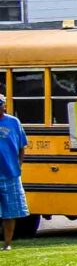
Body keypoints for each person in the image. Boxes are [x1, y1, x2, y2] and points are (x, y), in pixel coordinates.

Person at [0, 97, 23, 248]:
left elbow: (22, 147)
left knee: (10, 211)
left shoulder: (13, 122)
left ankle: (7, 243)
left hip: (10, 172)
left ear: (4, 105)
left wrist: (19, 165)